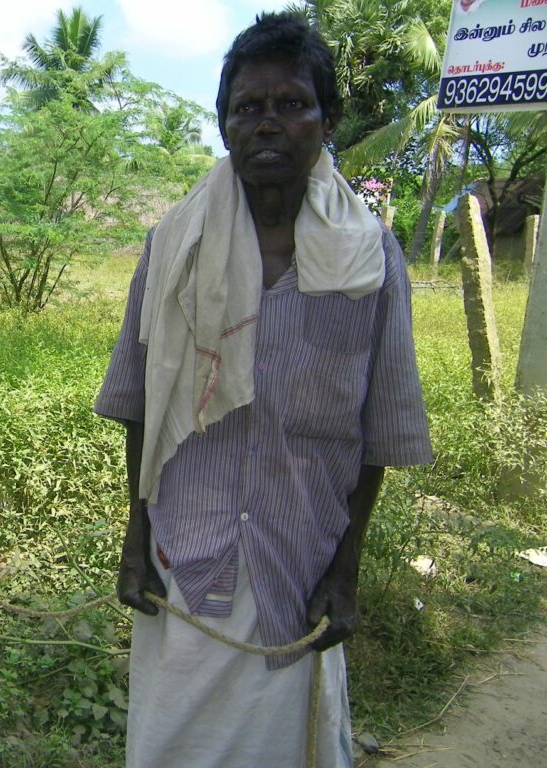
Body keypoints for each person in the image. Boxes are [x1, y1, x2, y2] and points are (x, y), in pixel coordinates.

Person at [94, 12, 433, 768]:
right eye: (248, 107)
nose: (269, 123)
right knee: (172, 745)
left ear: (327, 119)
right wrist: (134, 537)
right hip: (185, 559)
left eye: (292, 103)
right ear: (224, 126)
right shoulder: (173, 244)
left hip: (300, 560)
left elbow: (378, 429)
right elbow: (140, 401)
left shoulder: (370, 259)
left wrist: (346, 572)